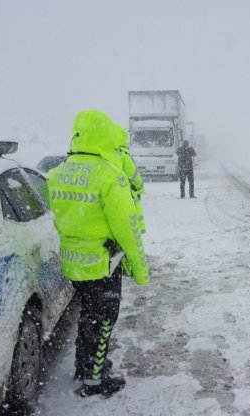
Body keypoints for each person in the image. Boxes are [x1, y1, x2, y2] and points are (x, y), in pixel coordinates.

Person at [46, 109, 150, 398]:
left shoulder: (58, 172)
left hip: (73, 263)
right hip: (102, 263)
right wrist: (140, 269)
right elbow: (127, 228)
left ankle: (86, 364)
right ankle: (94, 379)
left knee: (89, 316)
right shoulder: (109, 176)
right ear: (106, 136)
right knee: (103, 320)